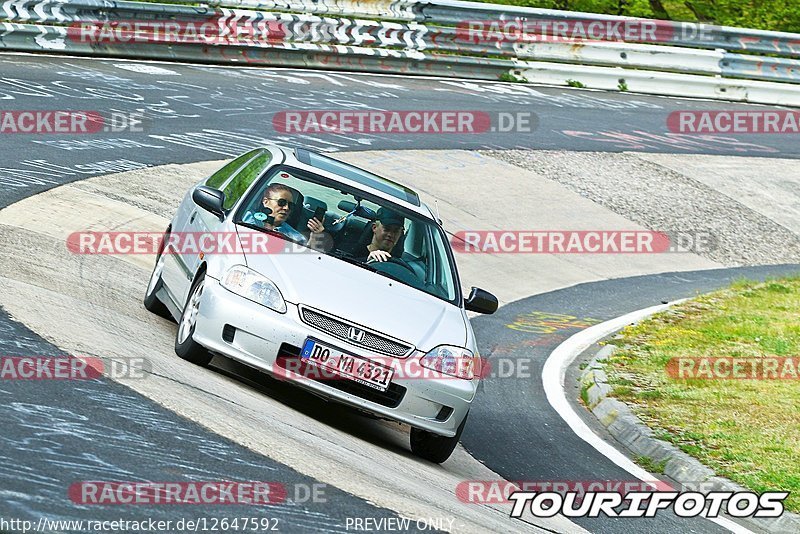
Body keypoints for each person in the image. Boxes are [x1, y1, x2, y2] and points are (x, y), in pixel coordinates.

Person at [242, 183, 325, 246]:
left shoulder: (297, 238)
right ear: (265, 201)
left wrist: (315, 237)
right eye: (281, 202)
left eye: (291, 205)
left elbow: (302, 260)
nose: (286, 208)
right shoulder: (244, 217)